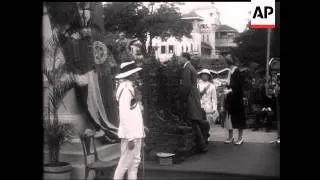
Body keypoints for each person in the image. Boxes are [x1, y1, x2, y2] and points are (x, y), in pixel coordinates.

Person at [113, 61, 146, 180]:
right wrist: (130, 137)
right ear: (130, 74)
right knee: (124, 164)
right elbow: (124, 115)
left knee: (134, 164)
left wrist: (142, 129)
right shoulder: (125, 89)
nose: (137, 75)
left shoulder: (131, 87)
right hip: (130, 135)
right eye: (135, 73)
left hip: (136, 132)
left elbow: (135, 112)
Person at [179, 53, 210, 153]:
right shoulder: (191, 67)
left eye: (181, 57)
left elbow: (186, 86)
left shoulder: (187, 68)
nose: (179, 59)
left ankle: (202, 145)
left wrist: (182, 99)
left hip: (190, 96)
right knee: (196, 120)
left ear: (185, 58)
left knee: (193, 121)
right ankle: (203, 143)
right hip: (194, 95)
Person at [223, 54, 246, 145]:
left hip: (236, 99)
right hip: (230, 99)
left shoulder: (237, 71)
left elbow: (238, 86)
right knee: (229, 118)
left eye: (228, 60)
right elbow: (229, 84)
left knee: (239, 118)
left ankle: (240, 138)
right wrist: (226, 87)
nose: (227, 62)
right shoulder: (230, 71)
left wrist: (229, 90)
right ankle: (230, 136)